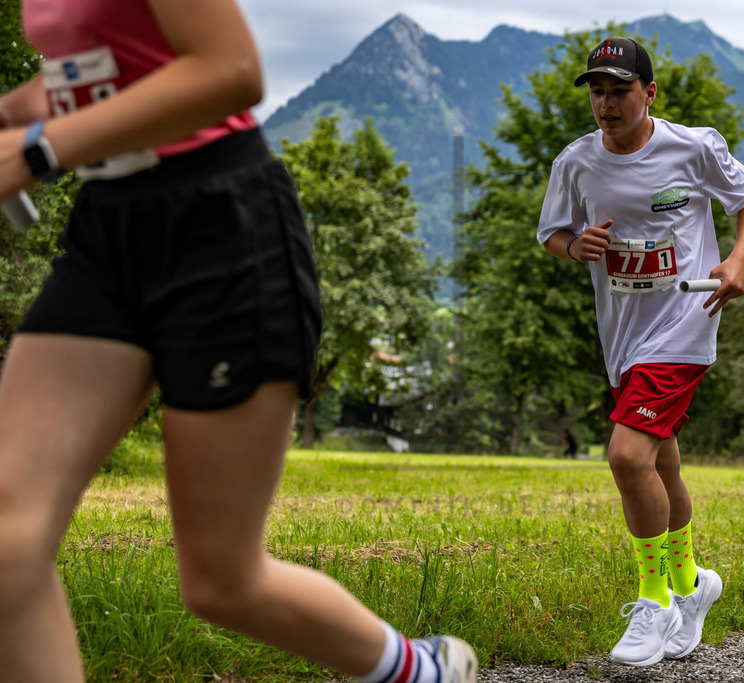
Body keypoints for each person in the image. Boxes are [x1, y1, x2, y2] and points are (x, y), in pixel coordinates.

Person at [0, 2, 477, 682]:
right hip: (107, 227)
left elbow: (231, 69)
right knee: (7, 544)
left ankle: (417, 671)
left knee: (222, 582)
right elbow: (107, 70)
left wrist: (39, 147)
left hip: (219, 225)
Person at [537, 37, 744, 667]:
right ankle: (693, 586)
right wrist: (574, 245)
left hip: (688, 321)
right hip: (624, 333)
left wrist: (737, 259)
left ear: (649, 92)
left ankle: (655, 603)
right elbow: (552, 233)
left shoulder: (694, 147)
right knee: (660, 462)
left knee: (626, 455)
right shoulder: (576, 162)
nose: (606, 104)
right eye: (597, 91)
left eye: (619, 89)